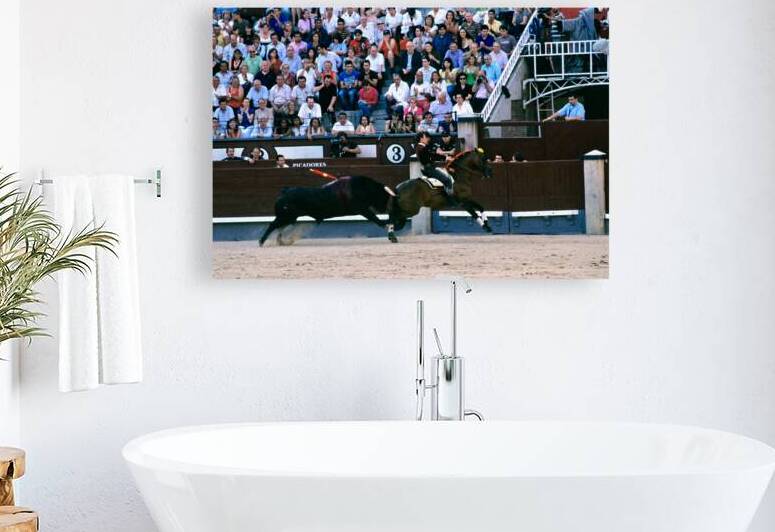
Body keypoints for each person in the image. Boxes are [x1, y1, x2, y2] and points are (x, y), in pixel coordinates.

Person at [415, 130, 454, 196]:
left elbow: (431, 156)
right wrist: (446, 158)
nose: (427, 139)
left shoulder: (420, 147)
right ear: (421, 139)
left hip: (427, 168)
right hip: (430, 169)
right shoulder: (422, 148)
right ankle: (450, 200)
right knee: (448, 180)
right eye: (425, 137)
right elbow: (432, 156)